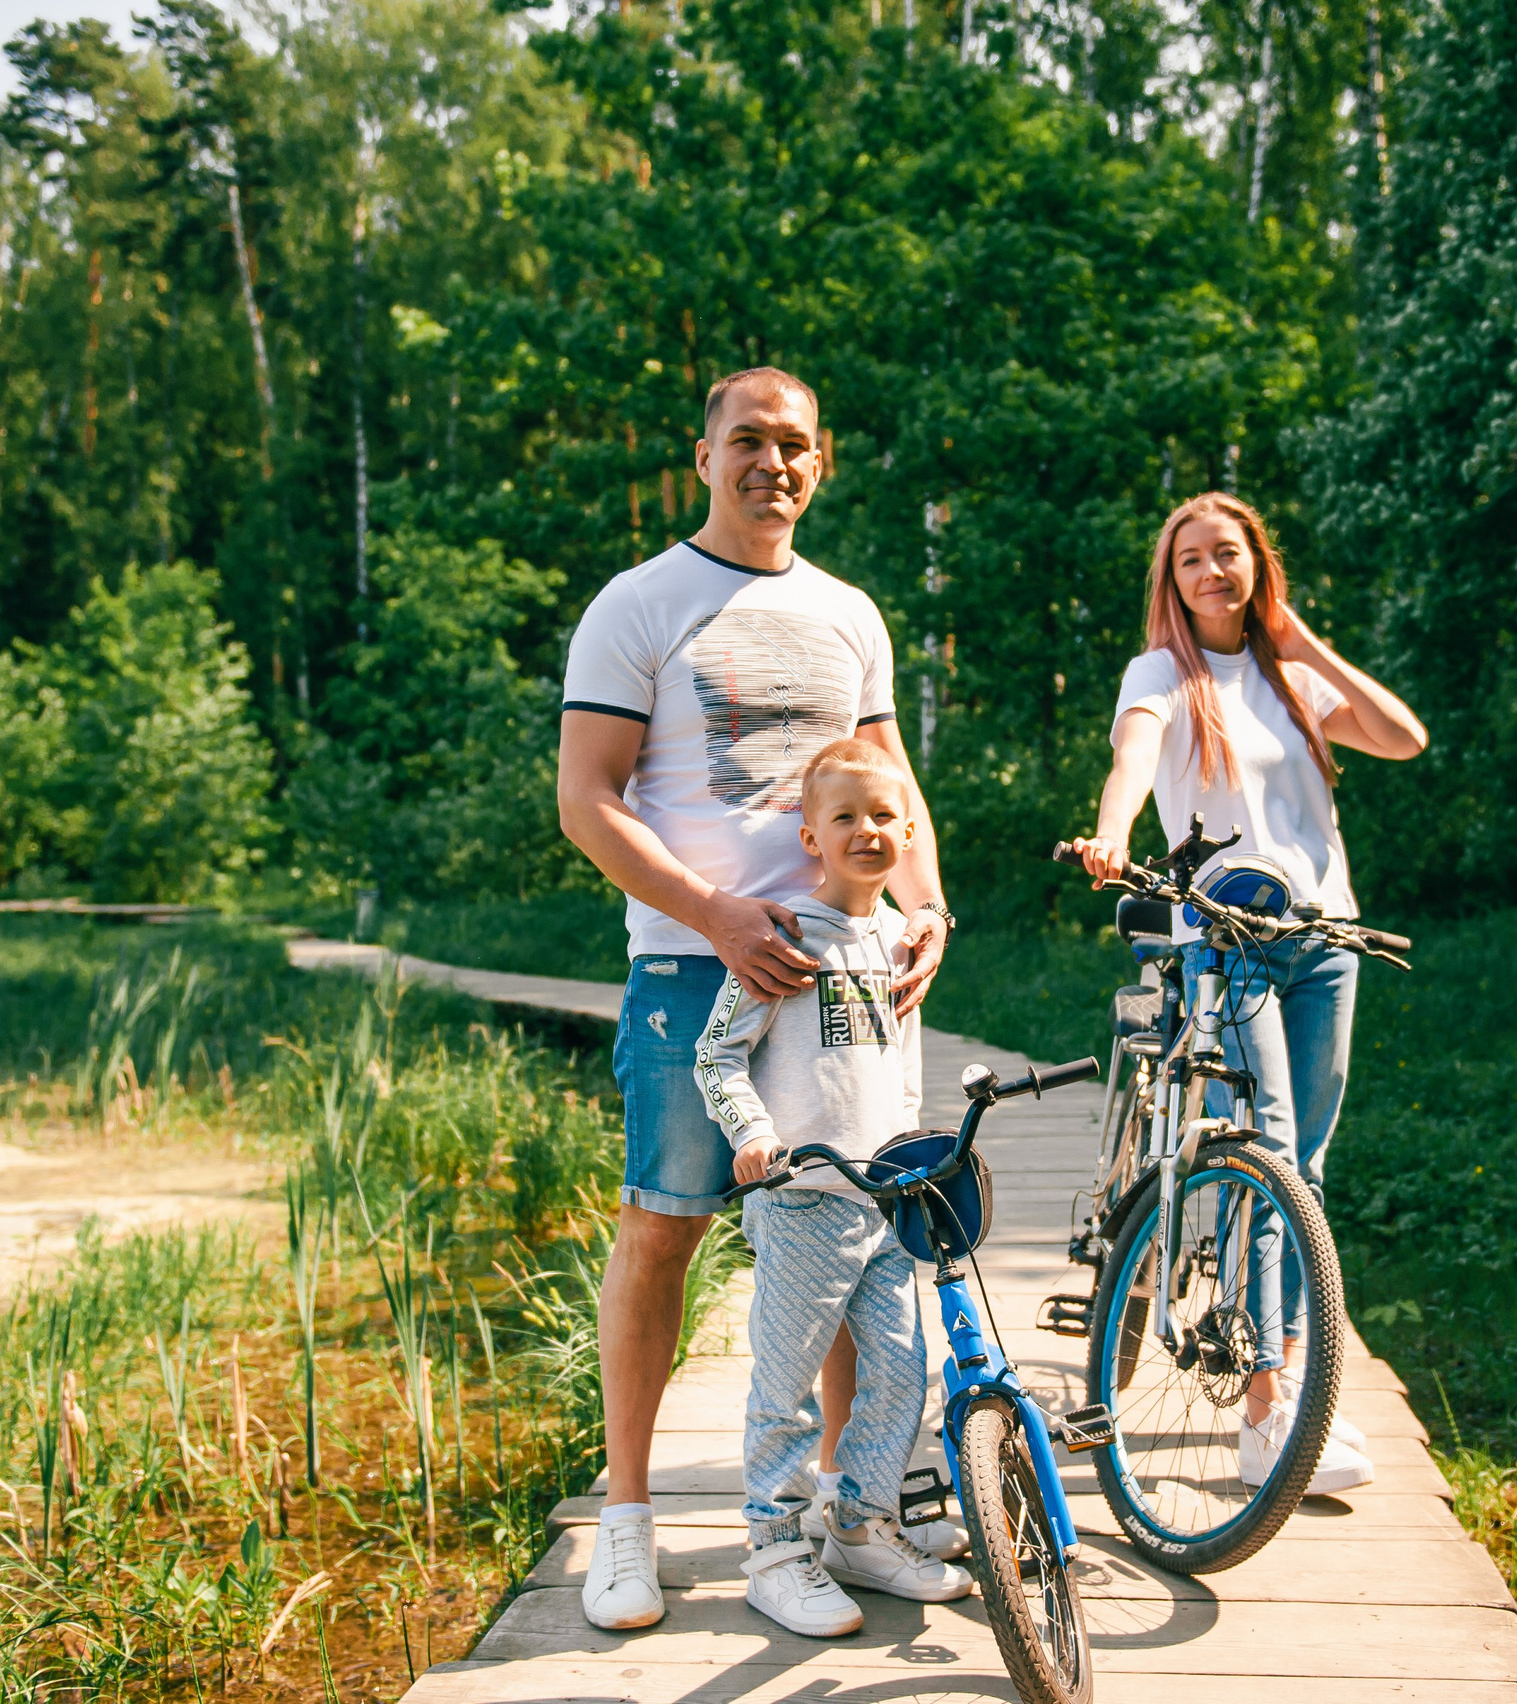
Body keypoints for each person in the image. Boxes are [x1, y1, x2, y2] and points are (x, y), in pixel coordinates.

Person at [556, 368, 956, 1631]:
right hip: (695, 969)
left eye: (792, 445)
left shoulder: (850, 613)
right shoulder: (638, 604)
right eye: (747, 441)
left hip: (851, 974)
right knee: (663, 1226)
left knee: (851, 1239)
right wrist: (715, 916)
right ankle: (626, 1527)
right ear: (703, 455)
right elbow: (589, 797)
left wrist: (928, 906)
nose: (769, 463)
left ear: (819, 463)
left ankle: (852, 1515)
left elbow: (889, 778)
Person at [1066, 491, 1428, 1493]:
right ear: (1170, 580)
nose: (1211, 572)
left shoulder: (1291, 678)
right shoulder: (1161, 674)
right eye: (1191, 560)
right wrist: (1113, 833)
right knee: (1263, 1146)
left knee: (1302, 1167)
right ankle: (1267, 1407)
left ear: (1256, 566)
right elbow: (1132, 759)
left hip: (1324, 939)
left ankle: (1287, 1381)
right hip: (1224, 941)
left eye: (1228, 555)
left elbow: (1404, 737)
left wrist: (1299, 638)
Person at [695, 739, 976, 1635]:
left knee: (902, 1376)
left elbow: (894, 1072)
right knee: (786, 1386)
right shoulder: (784, 936)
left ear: (907, 833)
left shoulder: (904, 943)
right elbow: (717, 1055)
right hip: (806, 1201)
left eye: (885, 816)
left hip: (887, 1202)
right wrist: (754, 1135)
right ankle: (774, 1548)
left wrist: (920, 1160)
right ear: (810, 836)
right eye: (846, 817)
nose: (868, 831)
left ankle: (860, 1523)